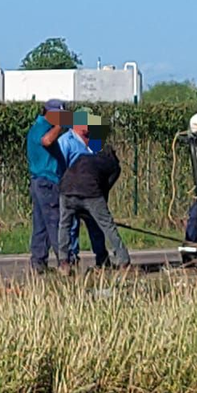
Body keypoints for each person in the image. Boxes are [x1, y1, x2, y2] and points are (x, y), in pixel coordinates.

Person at [43, 109, 131, 272]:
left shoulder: (94, 142)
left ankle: (99, 259)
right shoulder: (66, 141)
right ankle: (72, 258)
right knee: (74, 226)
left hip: (83, 189)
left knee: (91, 226)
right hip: (76, 188)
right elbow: (61, 168)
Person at [26, 100, 105, 273]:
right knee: (58, 222)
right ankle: (66, 261)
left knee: (42, 224)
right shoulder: (59, 135)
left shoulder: (91, 141)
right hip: (51, 182)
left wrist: (95, 128)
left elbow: (98, 153)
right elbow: (47, 141)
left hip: (86, 189)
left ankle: (39, 262)